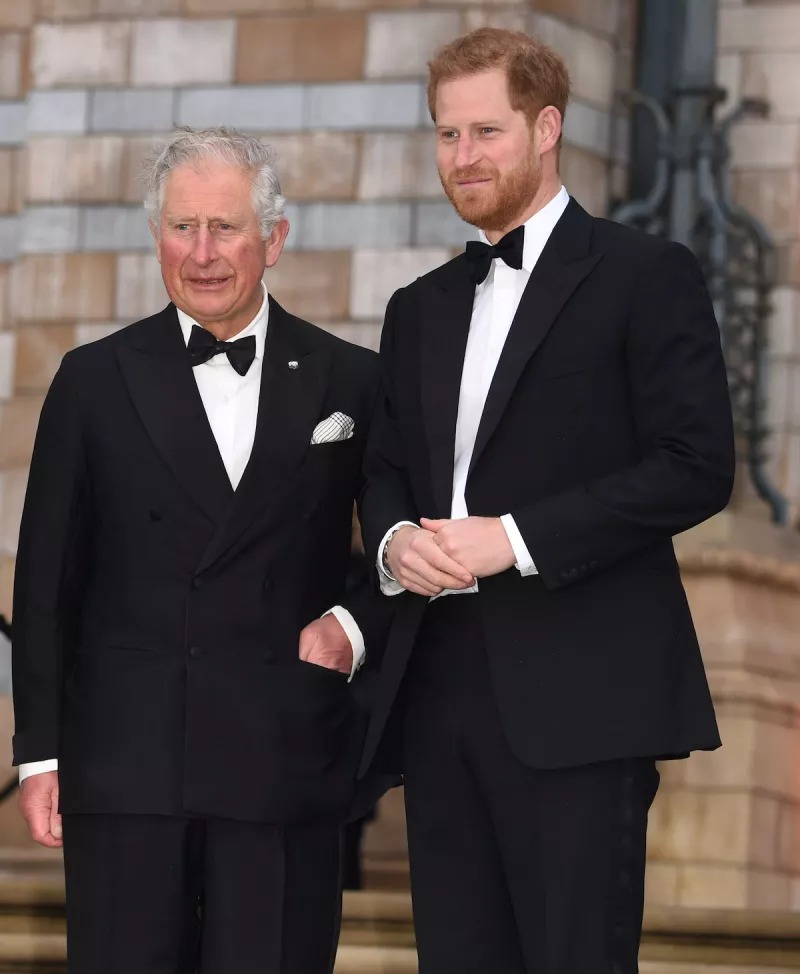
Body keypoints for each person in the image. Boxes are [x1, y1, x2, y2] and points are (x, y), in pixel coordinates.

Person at [358, 28, 735, 974]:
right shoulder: (419, 306)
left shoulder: (647, 275)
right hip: (437, 699)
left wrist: (514, 540)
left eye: (486, 131)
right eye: (446, 135)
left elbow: (697, 464)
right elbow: (387, 466)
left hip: (581, 701)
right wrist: (397, 538)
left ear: (547, 128)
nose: (463, 157)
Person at [12, 127, 390, 974]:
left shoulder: (351, 383)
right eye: (183, 227)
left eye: (227, 228)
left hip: (283, 759)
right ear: (156, 238)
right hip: (127, 766)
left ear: (275, 240)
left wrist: (350, 630)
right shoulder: (92, 380)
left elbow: (402, 551)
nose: (204, 253)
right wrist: (39, 752)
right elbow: (45, 582)